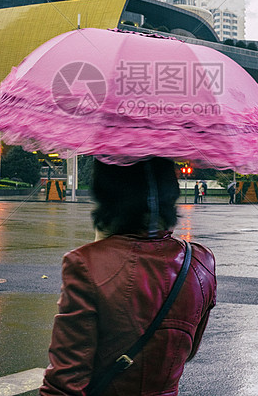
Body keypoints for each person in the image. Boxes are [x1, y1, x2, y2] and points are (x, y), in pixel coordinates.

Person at [40, 157, 216, 396]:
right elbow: (187, 350)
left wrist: (101, 247)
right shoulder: (201, 262)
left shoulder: (85, 264)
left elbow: (63, 384)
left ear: (106, 192)